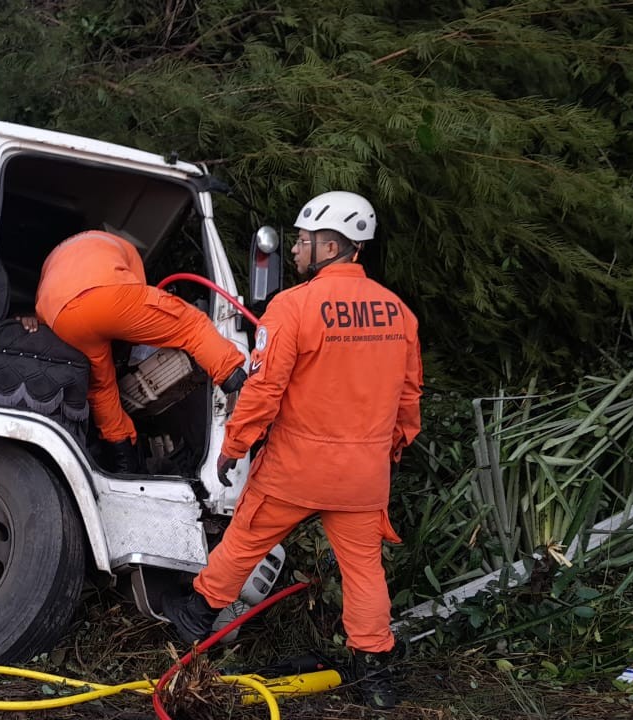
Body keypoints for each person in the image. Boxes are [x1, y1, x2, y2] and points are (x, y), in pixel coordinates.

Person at [163, 191, 423, 710]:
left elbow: (263, 390)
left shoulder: (294, 307)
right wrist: (386, 452)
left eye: (303, 242)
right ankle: (374, 677)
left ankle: (190, 627)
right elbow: (409, 400)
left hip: (295, 470)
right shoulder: (399, 314)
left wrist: (234, 445)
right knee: (365, 572)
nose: (297, 250)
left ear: (331, 247)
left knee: (243, 544)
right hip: (361, 479)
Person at [35, 230, 248, 473]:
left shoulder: (61, 253)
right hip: (104, 297)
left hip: (59, 315)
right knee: (189, 323)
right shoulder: (127, 248)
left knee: (102, 389)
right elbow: (137, 296)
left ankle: (124, 459)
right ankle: (234, 375)